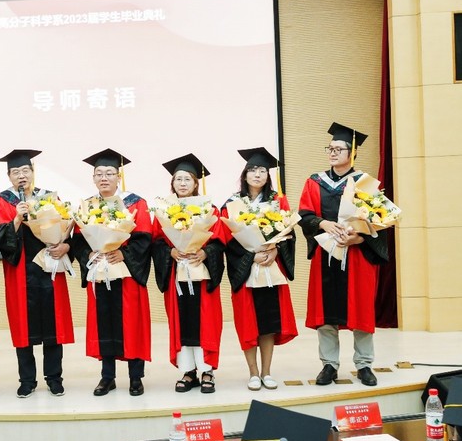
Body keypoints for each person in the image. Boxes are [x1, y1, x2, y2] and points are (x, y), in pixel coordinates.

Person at [298, 123, 388, 387]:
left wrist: (358, 237)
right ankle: (329, 364)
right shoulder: (314, 182)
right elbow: (305, 216)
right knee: (326, 314)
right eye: (330, 148)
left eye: (339, 149)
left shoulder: (365, 183)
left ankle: (364, 364)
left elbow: (380, 221)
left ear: (353, 152)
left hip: (358, 257)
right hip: (325, 255)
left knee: (360, 310)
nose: (333, 152)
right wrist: (323, 224)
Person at [0, 149, 74, 398]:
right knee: (22, 326)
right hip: (20, 272)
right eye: (16, 172)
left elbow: (66, 228)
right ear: (9, 176)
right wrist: (17, 218)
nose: (21, 176)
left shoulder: (49, 197)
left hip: (49, 269)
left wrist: (65, 245)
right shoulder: (2, 201)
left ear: (33, 172)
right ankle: (27, 380)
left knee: (53, 324)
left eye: (25, 170)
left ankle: (54, 378)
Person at [70, 148, 152, 397]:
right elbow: (78, 240)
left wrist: (124, 254)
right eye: (99, 174)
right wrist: (89, 255)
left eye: (109, 173)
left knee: (131, 323)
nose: (104, 178)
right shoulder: (87, 206)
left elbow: (144, 238)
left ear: (119, 176)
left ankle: (135, 377)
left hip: (127, 275)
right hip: (100, 272)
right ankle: (108, 377)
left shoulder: (136, 204)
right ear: (93, 178)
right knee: (103, 322)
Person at [222, 147, 298, 391]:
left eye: (262, 170)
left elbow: (289, 234)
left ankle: (266, 372)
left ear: (268, 175)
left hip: (270, 270)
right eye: (253, 170)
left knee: (268, 323)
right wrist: (250, 255)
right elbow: (227, 240)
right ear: (244, 175)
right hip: (246, 271)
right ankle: (253, 372)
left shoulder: (277, 201)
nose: (257, 174)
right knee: (248, 323)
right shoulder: (233, 203)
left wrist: (275, 251)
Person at [151, 154, 224, 394]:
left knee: (206, 320)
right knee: (180, 321)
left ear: (195, 183)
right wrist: (170, 251)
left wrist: (205, 253)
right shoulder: (164, 211)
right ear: (172, 183)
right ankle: (188, 370)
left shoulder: (209, 209)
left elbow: (220, 241)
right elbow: (156, 242)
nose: (182, 183)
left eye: (187, 179)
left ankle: (207, 370)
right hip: (177, 273)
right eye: (178, 179)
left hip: (201, 274)